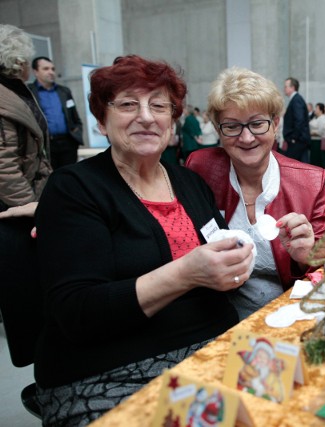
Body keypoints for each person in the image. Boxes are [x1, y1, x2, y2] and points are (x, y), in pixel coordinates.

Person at [34, 55, 254, 426]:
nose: (147, 116)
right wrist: (186, 273)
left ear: (172, 122)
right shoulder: (75, 189)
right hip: (113, 371)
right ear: (102, 120)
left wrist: (237, 262)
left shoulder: (189, 183)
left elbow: (221, 247)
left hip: (214, 352)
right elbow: (76, 313)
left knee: (305, 398)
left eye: (159, 105)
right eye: (127, 104)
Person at [186, 67, 325, 319]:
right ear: (218, 130)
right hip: (215, 315)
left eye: (257, 124)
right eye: (231, 126)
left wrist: (306, 257)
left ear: (275, 124)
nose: (246, 137)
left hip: (284, 314)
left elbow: (324, 273)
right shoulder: (201, 169)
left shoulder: (309, 182)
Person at [0, 24, 52, 217]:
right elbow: (3, 164)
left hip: (31, 188)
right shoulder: (6, 95)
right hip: (15, 202)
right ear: (19, 61)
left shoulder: (18, 89)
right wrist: (27, 204)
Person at [28, 56, 83, 169]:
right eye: (46, 69)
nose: (51, 72)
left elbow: (74, 116)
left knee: (70, 176)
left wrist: (77, 132)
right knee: (51, 178)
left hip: (68, 142)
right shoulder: (29, 92)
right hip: (46, 144)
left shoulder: (64, 91)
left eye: (53, 69)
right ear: (35, 72)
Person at [282, 77, 311, 162]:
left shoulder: (296, 100)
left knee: (292, 164)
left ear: (293, 87)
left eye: (286, 86)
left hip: (298, 141)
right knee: (302, 165)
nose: (284, 89)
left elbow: (299, 120)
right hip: (299, 140)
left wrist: (293, 138)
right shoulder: (296, 99)